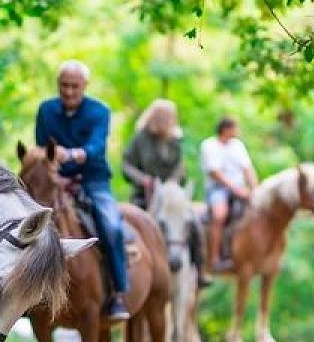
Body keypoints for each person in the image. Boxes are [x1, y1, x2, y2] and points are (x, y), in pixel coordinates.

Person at [35, 61, 130, 322]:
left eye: (74, 86)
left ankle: (118, 293)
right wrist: (53, 172)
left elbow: (97, 146)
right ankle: (27, 293)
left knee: (111, 226)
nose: (68, 91)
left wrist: (74, 154)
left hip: (93, 181)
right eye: (64, 85)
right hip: (56, 182)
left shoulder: (99, 111)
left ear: (84, 86)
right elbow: (43, 149)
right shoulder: (46, 110)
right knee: (29, 225)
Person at [122, 98, 209, 286]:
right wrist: (142, 179)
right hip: (144, 195)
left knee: (194, 224)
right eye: (162, 117)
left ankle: (200, 271)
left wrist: (174, 181)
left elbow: (181, 167)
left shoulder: (175, 140)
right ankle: (127, 274)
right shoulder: (140, 138)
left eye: (169, 118)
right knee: (128, 226)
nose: (166, 121)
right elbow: (126, 165)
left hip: (173, 197)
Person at [201, 116, 256, 273]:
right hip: (218, 188)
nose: (237, 132)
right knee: (219, 215)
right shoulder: (209, 145)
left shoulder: (237, 146)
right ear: (226, 129)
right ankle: (214, 258)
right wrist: (236, 189)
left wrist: (255, 188)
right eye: (235, 128)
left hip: (240, 187)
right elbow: (214, 172)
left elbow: (247, 168)